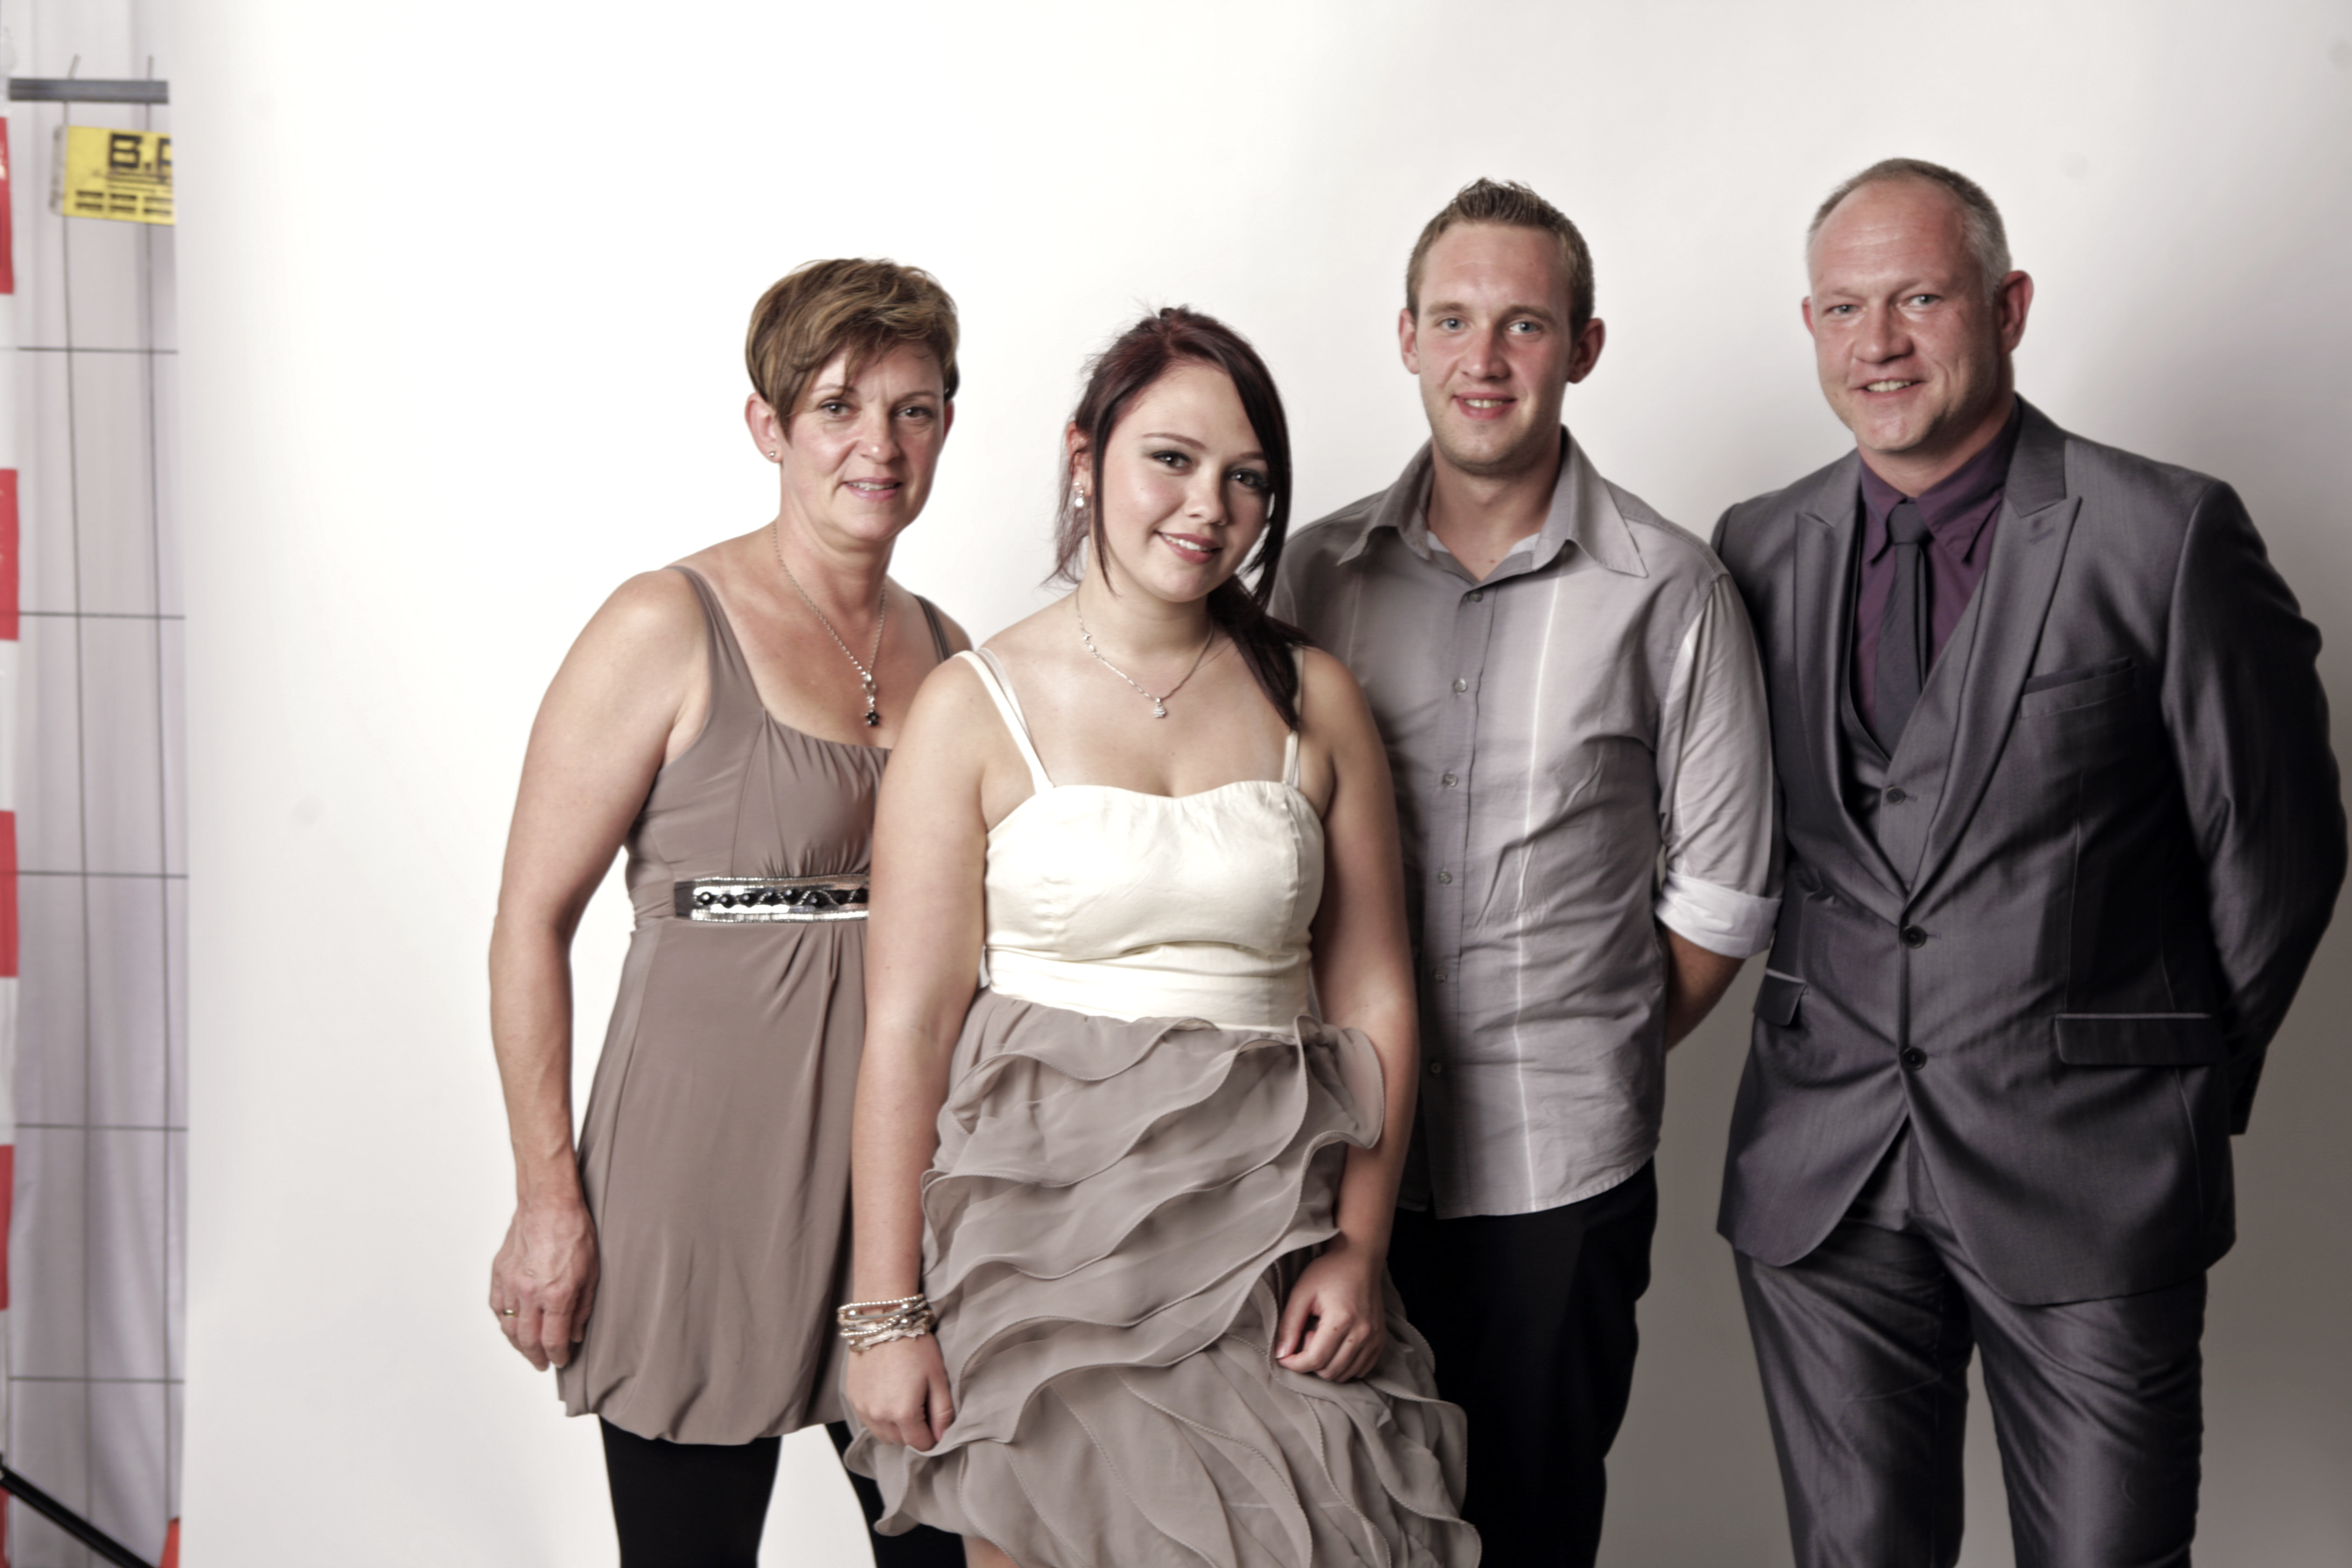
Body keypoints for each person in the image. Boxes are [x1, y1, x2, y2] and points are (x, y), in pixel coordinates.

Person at [1711, 158, 2344, 1567]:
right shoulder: (1755, 547)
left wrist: (2167, 1083)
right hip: (1821, 1175)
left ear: (2008, 307)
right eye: (1844, 308)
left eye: (1921, 300)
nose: (1879, 343)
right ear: (1809, 326)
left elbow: (2280, 848)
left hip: (2094, 1171)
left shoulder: (2165, 533)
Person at [842, 306, 1479, 1568]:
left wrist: (1360, 1247)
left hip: (1272, 1237)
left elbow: (1378, 1001)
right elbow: (907, 1027)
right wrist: (885, 1312)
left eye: (1247, 478)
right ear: (1085, 459)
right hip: (1037, 1254)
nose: (1208, 507)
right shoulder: (971, 706)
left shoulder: (1315, 698)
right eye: (1172, 460)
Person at [1272, 178, 1780, 1567]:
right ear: (1405, 338)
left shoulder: (1671, 588)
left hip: (1558, 1174)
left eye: (1524, 324)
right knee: (1333, 1530)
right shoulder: (1312, 578)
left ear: (1584, 347)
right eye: (1452, 320)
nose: (1483, 359)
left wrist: (1576, 1040)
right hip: (1324, 1166)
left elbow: (1720, 898)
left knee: (1533, 1530)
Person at [485, 257, 968, 1567]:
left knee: (951, 1546)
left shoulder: (952, 651)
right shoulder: (665, 621)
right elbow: (529, 920)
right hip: (697, 1170)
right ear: (769, 425)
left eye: (914, 410)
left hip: (905, 1183)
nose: (879, 446)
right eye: (839, 408)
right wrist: (547, 1199)